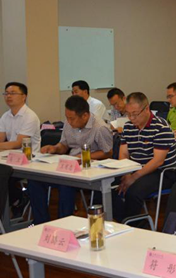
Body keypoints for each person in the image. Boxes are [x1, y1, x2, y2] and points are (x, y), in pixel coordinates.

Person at [27, 96, 113, 224]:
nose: (68, 121)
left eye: (72, 118)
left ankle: (64, 223)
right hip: (69, 165)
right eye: (67, 117)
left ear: (85, 116)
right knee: (35, 180)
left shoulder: (100, 127)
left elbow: (108, 152)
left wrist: (84, 157)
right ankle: (40, 222)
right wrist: (55, 148)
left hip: (88, 169)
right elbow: (64, 145)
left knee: (65, 184)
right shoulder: (69, 123)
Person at [113, 92, 176, 223]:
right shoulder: (128, 126)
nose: (132, 118)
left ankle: (132, 224)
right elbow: (124, 154)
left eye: (135, 114)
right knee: (107, 186)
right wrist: (127, 174)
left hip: (161, 173)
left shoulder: (161, 127)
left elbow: (157, 161)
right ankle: (126, 222)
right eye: (128, 114)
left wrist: (133, 177)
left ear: (146, 109)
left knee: (133, 192)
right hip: (135, 169)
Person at [0, 82, 41, 153]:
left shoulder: (30, 116)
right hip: (10, 155)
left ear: (23, 97)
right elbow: (1, 138)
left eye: (13, 93)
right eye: (6, 93)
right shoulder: (5, 116)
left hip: (29, 156)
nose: (8, 96)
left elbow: (19, 143)